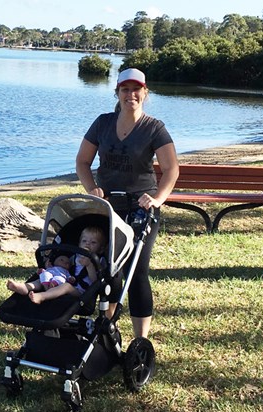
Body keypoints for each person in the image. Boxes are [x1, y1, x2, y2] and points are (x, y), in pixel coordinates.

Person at [75, 67, 179, 339]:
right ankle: (107, 331)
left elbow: (171, 170)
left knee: (137, 271)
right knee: (108, 269)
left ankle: (140, 340)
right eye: (125, 89)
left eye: (136, 89)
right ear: (117, 92)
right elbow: (82, 162)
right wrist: (92, 188)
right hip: (108, 208)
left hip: (141, 209)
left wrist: (157, 199)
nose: (130, 95)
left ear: (145, 93)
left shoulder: (154, 128)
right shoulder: (103, 123)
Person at [27, 226, 107, 304]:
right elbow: (64, 267)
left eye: (93, 242)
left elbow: (96, 282)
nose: (87, 244)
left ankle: (42, 296)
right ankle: (24, 288)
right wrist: (51, 268)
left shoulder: (99, 261)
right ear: (79, 244)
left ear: (101, 249)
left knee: (66, 287)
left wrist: (89, 265)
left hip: (81, 291)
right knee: (43, 277)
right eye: (84, 241)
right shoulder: (75, 257)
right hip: (66, 280)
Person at [6, 253, 73, 296]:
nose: (65, 262)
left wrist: (71, 279)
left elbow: (69, 278)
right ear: (54, 262)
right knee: (40, 279)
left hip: (59, 281)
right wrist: (43, 270)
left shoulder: (66, 272)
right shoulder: (51, 267)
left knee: (60, 279)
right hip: (47, 277)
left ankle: (50, 288)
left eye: (68, 263)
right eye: (62, 260)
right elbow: (46, 269)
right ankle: (25, 287)